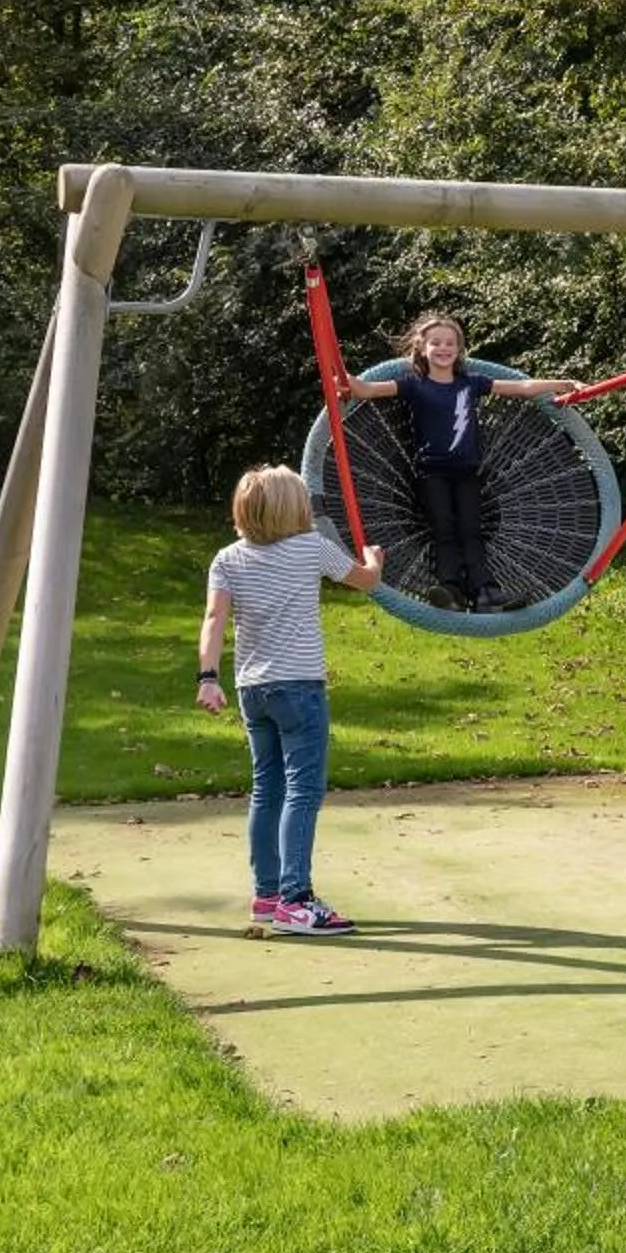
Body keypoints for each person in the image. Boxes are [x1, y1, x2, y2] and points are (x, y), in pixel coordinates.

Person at [197, 464, 385, 936]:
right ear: (293, 510)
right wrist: (374, 559)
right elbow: (365, 581)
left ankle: (267, 895)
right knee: (303, 790)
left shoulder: (227, 559)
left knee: (267, 789)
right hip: (298, 686)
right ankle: (296, 899)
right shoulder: (309, 548)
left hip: (250, 689)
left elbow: (214, 619)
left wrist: (208, 677)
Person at [341, 313, 581, 613]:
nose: (444, 348)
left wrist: (561, 383)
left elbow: (521, 387)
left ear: (459, 348)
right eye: (436, 343)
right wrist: (346, 381)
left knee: (471, 530)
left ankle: (485, 592)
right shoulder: (415, 385)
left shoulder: (471, 383)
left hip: (467, 473)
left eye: (450, 343)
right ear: (422, 347)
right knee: (443, 529)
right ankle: (450, 590)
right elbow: (369, 391)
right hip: (432, 474)